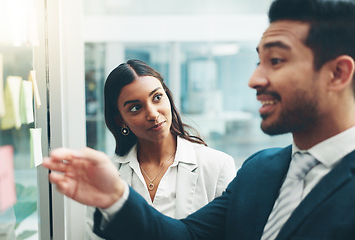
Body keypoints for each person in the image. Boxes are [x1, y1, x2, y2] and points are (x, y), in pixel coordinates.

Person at [43, 0, 355, 239]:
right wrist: (116, 197)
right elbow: (187, 235)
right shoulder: (260, 171)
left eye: (276, 61)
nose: (254, 79)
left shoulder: (221, 164)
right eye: (259, 61)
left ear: (338, 73)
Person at [84, 60, 236, 239]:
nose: (153, 114)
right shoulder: (107, 175)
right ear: (120, 120)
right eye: (135, 108)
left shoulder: (217, 166)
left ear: (168, 97)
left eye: (157, 97)